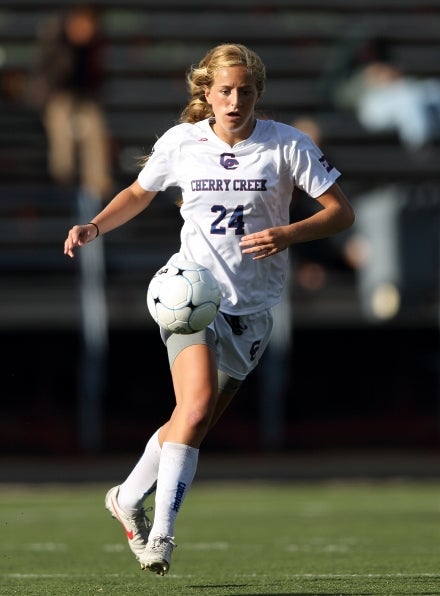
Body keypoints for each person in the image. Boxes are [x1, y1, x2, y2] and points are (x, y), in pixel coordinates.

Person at [63, 43, 355, 576]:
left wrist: (289, 233)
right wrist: (94, 226)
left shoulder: (287, 145)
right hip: (191, 295)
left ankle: (126, 498)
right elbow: (137, 192)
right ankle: (161, 538)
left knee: (190, 423)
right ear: (207, 93)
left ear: (258, 94)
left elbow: (340, 214)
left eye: (245, 91)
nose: (235, 99)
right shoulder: (182, 142)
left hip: (255, 306)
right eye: (225, 90)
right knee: (194, 408)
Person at [29, 3, 114, 199]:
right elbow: (47, 78)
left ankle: (98, 184)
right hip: (56, 99)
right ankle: (62, 179)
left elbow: (96, 81)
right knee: (62, 128)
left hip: (84, 99)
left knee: (94, 127)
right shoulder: (56, 40)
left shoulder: (95, 45)